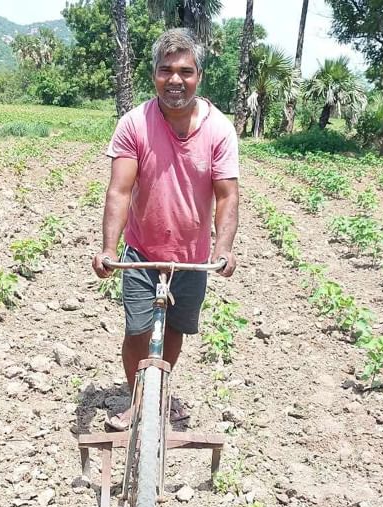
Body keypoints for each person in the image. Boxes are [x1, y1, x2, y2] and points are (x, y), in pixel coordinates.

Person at [92, 28, 240, 431]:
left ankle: (161, 394)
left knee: (174, 330)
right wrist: (109, 247)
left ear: (199, 77)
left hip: (192, 258)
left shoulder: (219, 130)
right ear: (154, 75)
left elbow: (227, 196)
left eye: (185, 71)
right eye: (166, 70)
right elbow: (119, 191)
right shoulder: (134, 123)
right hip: (142, 251)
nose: (175, 80)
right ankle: (138, 398)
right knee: (138, 330)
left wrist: (223, 249)